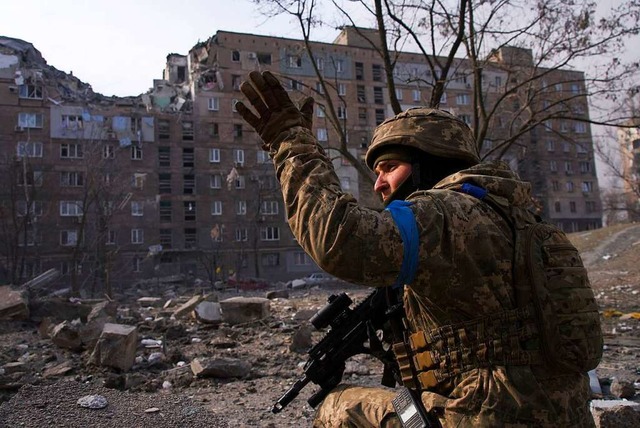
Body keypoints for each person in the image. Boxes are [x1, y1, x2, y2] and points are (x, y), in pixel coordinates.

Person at [236, 71, 597, 427]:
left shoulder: (441, 213)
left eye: (389, 168)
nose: (379, 184)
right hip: (561, 413)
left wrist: (291, 142)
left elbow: (339, 240)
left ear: (429, 164)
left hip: (482, 414)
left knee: (337, 407)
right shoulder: (521, 220)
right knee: (406, 399)